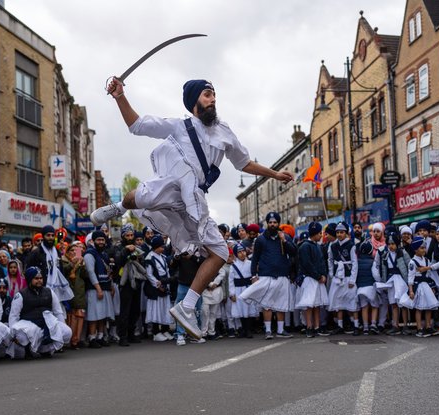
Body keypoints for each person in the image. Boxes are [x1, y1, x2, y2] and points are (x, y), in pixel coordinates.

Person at [91, 78, 292, 340]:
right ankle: (117, 208)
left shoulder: (224, 131)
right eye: (208, 95)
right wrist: (119, 97)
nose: (213, 99)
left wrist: (275, 174)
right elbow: (137, 125)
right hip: (174, 184)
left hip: (195, 198)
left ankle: (186, 307)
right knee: (142, 197)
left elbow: (244, 163)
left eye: (214, 95)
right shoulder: (179, 125)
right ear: (194, 101)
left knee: (219, 251)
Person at [240, 212, 296, 339]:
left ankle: (281, 331)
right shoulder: (260, 239)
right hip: (266, 275)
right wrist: (253, 275)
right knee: (267, 304)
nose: (272, 224)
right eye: (270, 222)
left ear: (278, 223)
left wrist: (284, 240)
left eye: (275, 222)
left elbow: (294, 252)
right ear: (267, 223)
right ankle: (268, 331)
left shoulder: (285, 236)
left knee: (281, 305)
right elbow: (255, 258)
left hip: (282, 275)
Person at [8, 267, 72, 358]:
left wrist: (61, 325)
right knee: (20, 335)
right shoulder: (20, 295)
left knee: (67, 332)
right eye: (36, 278)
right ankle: (28, 349)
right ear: (30, 279)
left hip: (48, 322)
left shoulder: (49, 292)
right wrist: (13, 333)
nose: (39, 281)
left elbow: (58, 311)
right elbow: (14, 315)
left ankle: (46, 349)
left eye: (40, 278)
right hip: (29, 323)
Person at [372, 232, 411, 335]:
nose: (391, 246)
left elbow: (409, 266)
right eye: (389, 244)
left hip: (401, 281)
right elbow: (384, 269)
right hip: (390, 281)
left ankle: (406, 325)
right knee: (393, 304)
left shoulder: (403, 253)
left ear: (397, 244)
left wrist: (409, 282)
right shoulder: (385, 255)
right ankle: (395, 325)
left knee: (403, 303)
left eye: (393, 243)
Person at [295, 222, 329, 338]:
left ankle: (317, 326)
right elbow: (307, 264)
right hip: (309, 279)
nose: (321, 235)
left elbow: (322, 262)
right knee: (309, 304)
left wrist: (324, 274)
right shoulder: (305, 246)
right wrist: (318, 276)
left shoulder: (318, 246)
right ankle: (309, 326)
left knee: (317, 304)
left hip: (318, 279)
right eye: (320, 233)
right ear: (314, 233)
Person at [83, 230, 115, 348]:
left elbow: (108, 272)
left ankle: (100, 337)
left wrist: (110, 286)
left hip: (105, 287)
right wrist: (98, 289)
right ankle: (92, 338)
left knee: (102, 315)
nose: (101, 242)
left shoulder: (104, 254)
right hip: (94, 289)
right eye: (99, 240)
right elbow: (91, 272)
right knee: (94, 315)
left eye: (103, 240)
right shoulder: (89, 254)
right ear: (93, 241)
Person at [116, 226, 147, 346]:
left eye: (131, 235)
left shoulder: (138, 248)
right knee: (125, 311)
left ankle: (131, 333)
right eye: (127, 236)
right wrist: (125, 250)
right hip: (125, 282)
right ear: (123, 236)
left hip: (136, 281)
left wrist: (138, 258)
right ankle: (122, 336)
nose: (129, 238)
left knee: (135, 310)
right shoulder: (119, 247)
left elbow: (142, 263)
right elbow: (118, 261)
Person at [26, 225, 74, 304]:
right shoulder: (36, 253)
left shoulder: (57, 252)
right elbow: (28, 272)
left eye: (52, 235)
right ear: (43, 236)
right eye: (48, 235)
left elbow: (60, 269)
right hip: (41, 290)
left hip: (56, 290)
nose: (50, 238)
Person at [327, 222, 360, 335]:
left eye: (342, 232)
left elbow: (354, 263)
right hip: (337, 278)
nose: (339, 234)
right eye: (337, 232)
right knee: (338, 302)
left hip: (348, 277)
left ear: (346, 233)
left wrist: (352, 279)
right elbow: (330, 260)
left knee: (352, 302)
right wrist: (331, 274)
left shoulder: (351, 245)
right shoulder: (333, 246)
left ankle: (356, 326)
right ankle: (340, 326)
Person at [406, 237, 439, 338]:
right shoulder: (412, 262)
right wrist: (411, 290)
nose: (424, 250)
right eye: (421, 248)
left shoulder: (426, 260)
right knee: (419, 308)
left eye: (425, 248)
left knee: (429, 306)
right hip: (418, 286)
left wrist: (432, 287)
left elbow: (429, 274)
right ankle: (419, 328)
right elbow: (410, 276)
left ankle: (428, 326)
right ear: (416, 249)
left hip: (426, 285)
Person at [144, 235, 175, 342]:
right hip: (155, 288)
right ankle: (156, 332)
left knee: (164, 309)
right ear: (156, 247)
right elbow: (149, 275)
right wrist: (158, 285)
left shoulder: (163, 257)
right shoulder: (149, 258)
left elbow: (166, 271)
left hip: (165, 285)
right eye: (161, 247)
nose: (163, 248)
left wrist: (166, 285)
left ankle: (165, 329)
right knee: (156, 310)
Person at [61, 243, 87, 349]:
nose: (74, 252)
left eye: (76, 250)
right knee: (68, 316)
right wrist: (72, 263)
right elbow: (63, 271)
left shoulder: (81, 262)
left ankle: (75, 340)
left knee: (79, 315)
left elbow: (85, 276)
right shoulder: (62, 261)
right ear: (67, 252)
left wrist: (82, 264)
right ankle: (66, 340)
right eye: (72, 250)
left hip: (79, 291)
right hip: (67, 292)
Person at [228, 244, 257, 339]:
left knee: (248, 309)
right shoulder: (233, 266)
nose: (242, 254)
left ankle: (248, 329)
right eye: (239, 252)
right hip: (238, 290)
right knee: (241, 309)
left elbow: (254, 276)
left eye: (243, 251)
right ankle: (243, 329)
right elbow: (231, 281)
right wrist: (232, 293)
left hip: (248, 289)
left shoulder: (250, 263)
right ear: (236, 254)